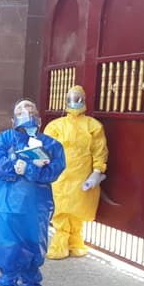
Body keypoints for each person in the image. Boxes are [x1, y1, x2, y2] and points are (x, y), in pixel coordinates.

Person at [0, 99, 65, 286]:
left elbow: (55, 170)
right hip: (8, 204)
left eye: (30, 109)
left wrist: (31, 169)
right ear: (12, 119)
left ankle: (31, 282)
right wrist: (14, 166)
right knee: (8, 242)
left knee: (34, 241)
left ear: (39, 119)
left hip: (36, 205)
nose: (26, 112)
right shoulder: (4, 139)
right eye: (21, 110)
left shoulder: (50, 144)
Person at [44, 85, 108, 260]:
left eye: (78, 98)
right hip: (60, 175)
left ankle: (75, 242)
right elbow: (46, 148)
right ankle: (60, 242)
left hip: (82, 174)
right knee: (61, 208)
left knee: (77, 208)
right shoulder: (56, 126)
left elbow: (99, 150)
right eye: (72, 98)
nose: (75, 102)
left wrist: (97, 171)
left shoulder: (93, 125)